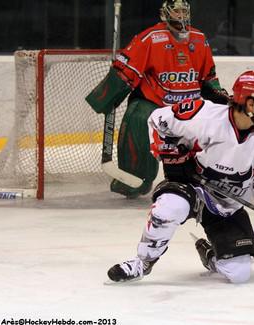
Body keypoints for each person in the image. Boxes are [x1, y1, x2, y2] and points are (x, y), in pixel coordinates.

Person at [106, 70, 254, 283]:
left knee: (239, 274)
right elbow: (158, 120)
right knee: (169, 207)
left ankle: (210, 255)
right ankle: (142, 263)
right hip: (191, 187)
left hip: (227, 205)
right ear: (252, 104)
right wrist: (171, 153)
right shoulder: (203, 114)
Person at [86, 0, 228, 199]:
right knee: (137, 117)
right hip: (155, 104)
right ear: (165, 14)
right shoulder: (151, 38)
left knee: (218, 127)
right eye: (176, 11)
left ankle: (216, 177)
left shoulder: (199, 39)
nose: (180, 16)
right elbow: (125, 70)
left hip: (189, 107)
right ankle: (134, 178)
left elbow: (208, 77)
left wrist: (218, 95)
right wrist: (107, 95)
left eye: (183, 11)